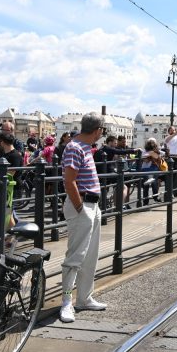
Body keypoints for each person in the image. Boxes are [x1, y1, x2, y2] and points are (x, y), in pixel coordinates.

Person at [59, 113, 107, 323]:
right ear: (97, 130)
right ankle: (66, 302)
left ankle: (84, 298)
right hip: (83, 206)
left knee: (90, 256)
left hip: (91, 205)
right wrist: (80, 207)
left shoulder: (84, 147)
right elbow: (69, 181)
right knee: (76, 256)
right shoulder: (74, 147)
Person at [139, 138, 163, 205]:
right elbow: (146, 159)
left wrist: (151, 155)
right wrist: (151, 155)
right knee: (150, 184)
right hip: (150, 169)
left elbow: (157, 158)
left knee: (151, 184)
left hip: (149, 169)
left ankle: (147, 200)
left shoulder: (155, 151)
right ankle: (152, 198)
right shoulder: (146, 151)